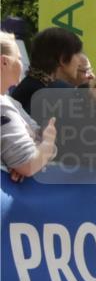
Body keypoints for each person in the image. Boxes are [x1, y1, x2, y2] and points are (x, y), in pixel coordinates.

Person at [0, 31, 57, 180]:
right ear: (4, 62)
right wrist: (49, 142)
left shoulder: (11, 102)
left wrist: (15, 162)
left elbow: (30, 155)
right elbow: (29, 164)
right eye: (19, 58)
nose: (23, 64)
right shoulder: (3, 106)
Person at [11, 27, 83, 113]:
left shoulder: (24, 89)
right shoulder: (61, 93)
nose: (80, 62)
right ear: (63, 59)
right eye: (78, 54)